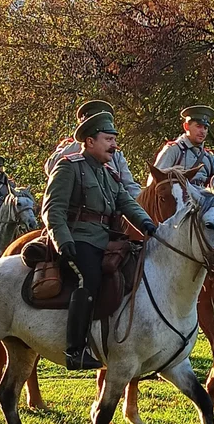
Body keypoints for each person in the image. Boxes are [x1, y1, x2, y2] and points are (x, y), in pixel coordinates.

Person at [41, 111, 157, 370]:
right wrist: (62, 241)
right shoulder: (69, 167)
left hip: (104, 241)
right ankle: (75, 350)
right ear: (90, 142)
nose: (114, 145)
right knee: (89, 279)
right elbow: (52, 209)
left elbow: (126, 202)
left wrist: (148, 224)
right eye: (108, 139)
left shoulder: (108, 174)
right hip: (77, 239)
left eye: (114, 139)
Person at [44, 100, 142, 199]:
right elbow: (51, 167)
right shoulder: (70, 148)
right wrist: (82, 142)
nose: (113, 144)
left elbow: (129, 186)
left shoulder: (116, 155)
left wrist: (143, 205)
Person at [149, 105, 214, 197]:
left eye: (205, 128)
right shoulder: (173, 150)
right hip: (179, 203)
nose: (202, 131)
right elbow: (156, 179)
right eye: (198, 126)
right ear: (186, 126)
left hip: (204, 202)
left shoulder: (209, 157)